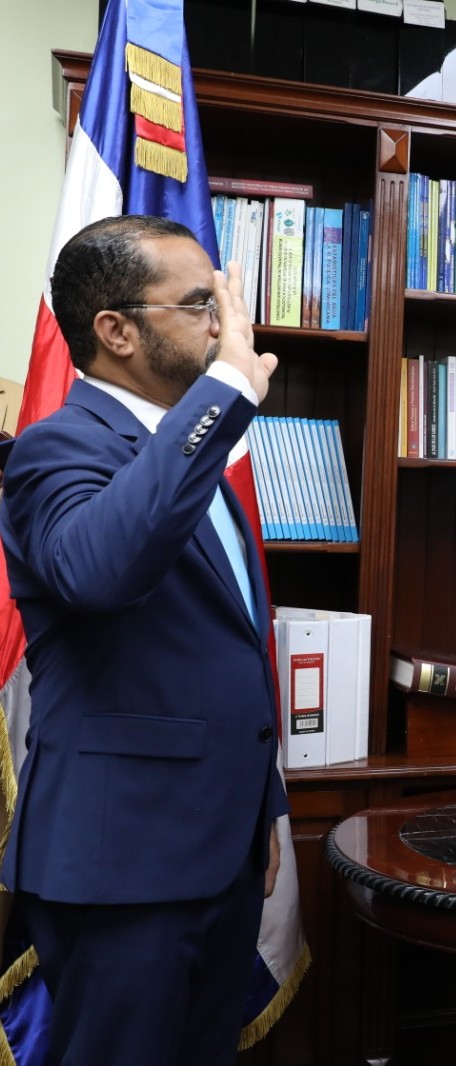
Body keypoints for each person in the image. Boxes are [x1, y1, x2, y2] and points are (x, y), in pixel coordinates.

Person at [0, 214, 285, 1066]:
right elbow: (99, 571)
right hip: (122, 865)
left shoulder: (190, 455)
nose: (223, 325)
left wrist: (263, 810)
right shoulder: (54, 449)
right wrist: (221, 395)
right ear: (115, 330)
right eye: (199, 304)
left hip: (224, 848)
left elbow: (225, 649)